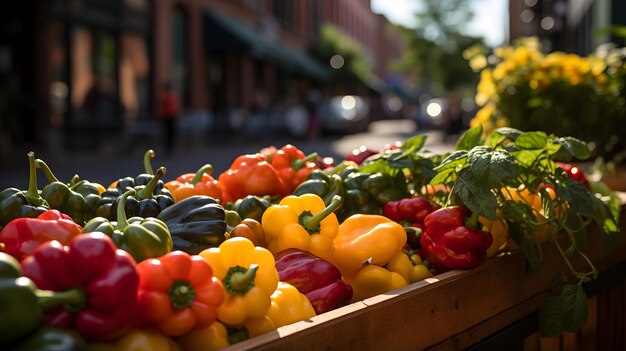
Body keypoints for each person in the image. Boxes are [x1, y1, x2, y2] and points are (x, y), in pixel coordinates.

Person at [159, 83, 180, 154]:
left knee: (170, 134)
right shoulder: (168, 96)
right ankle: (168, 148)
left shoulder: (169, 96)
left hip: (170, 116)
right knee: (169, 134)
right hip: (168, 117)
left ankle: (169, 148)